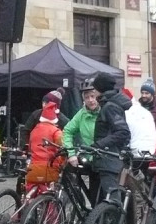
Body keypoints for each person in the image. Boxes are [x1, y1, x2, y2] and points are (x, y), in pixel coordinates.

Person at [87, 73, 132, 202]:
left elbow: (123, 132)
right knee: (101, 198)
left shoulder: (110, 106)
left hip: (109, 159)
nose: (93, 92)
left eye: (94, 89)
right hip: (105, 158)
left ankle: (116, 221)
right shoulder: (108, 104)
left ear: (100, 89)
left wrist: (100, 144)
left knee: (112, 199)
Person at [63, 78, 101, 206]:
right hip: (90, 159)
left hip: (105, 160)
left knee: (102, 196)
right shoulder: (81, 114)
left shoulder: (106, 111)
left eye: (93, 96)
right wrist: (71, 153)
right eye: (86, 97)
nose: (90, 100)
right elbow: (67, 131)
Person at [26, 100, 64, 189]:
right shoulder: (56, 131)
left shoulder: (34, 130)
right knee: (51, 192)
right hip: (49, 168)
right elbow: (63, 147)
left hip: (33, 167)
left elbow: (30, 147)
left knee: (31, 190)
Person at [121, 87, 156, 154]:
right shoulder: (146, 112)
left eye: (146, 93)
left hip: (135, 151)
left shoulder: (126, 112)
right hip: (151, 150)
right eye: (142, 93)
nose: (144, 95)